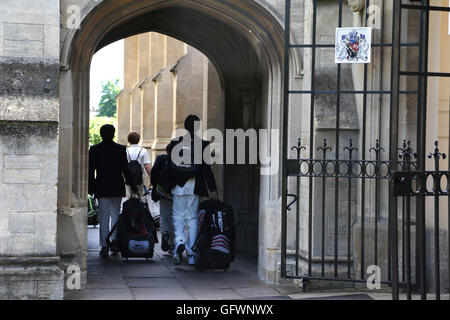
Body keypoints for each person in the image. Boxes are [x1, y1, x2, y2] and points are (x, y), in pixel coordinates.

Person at [167, 115, 219, 265]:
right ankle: (191, 254)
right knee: (192, 217)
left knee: (177, 216)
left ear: (185, 126)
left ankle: (179, 242)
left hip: (178, 185)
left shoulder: (175, 144)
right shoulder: (202, 145)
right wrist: (213, 189)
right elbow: (207, 169)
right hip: (195, 184)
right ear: (197, 127)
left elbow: (170, 167)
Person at [88, 124, 137, 257]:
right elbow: (125, 170)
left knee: (103, 216)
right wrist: (132, 185)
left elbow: (91, 171)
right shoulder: (120, 149)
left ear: (101, 134)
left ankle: (104, 245)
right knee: (116, 213)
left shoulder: (94, 149)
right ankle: (114, 241)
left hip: (102, 186)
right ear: (113, 134)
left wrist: (90, 188)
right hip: (116, 185)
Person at [150, 145, 174, 254]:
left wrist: (155, 188)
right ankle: (173, 243)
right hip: (176, 193)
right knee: (176, 217)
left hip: (163, 192)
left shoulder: (161, 159)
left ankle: (165, 233)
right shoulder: (180, 160)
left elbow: (153, 174)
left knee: (164, 216)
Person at [125, 131, 152, 197]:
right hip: (139, 177)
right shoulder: (143, 150)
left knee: (129, 196)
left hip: (128, 178)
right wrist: (151, 178)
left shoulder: (125, 151)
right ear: (138, 140)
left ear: (128, 140)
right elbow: (146, 165)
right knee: (139, 195)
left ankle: (130, 206)